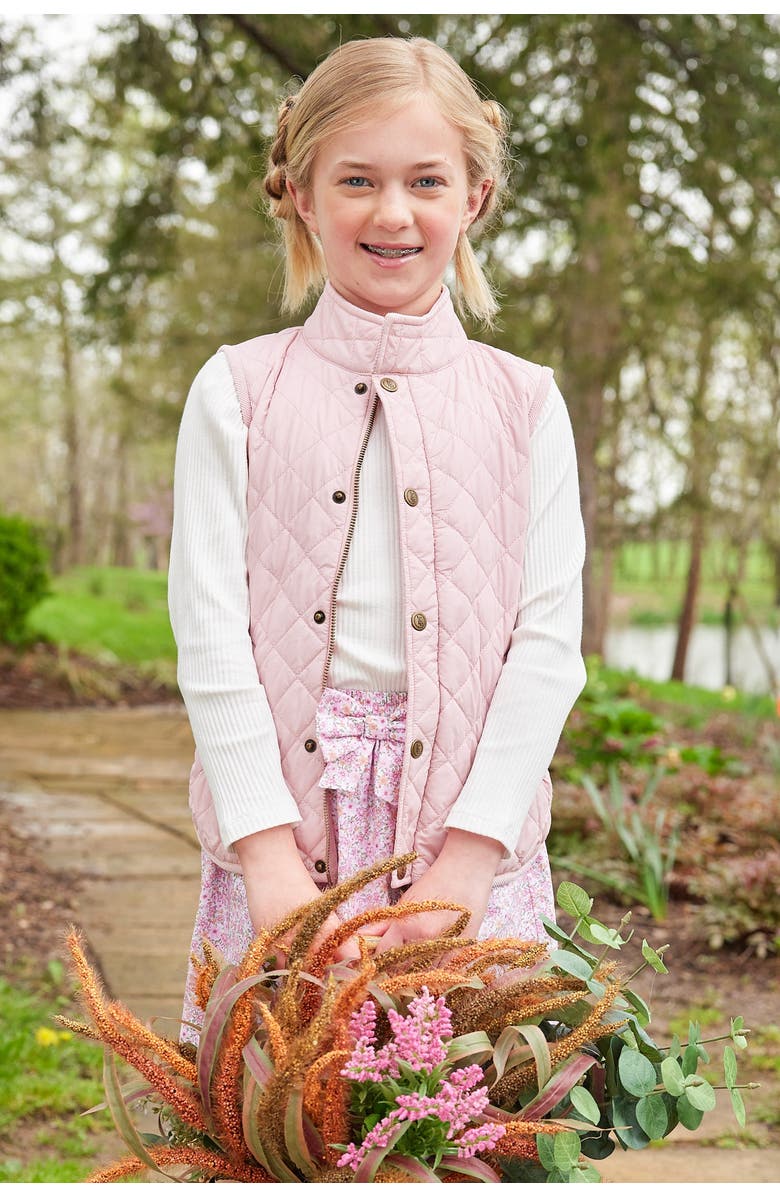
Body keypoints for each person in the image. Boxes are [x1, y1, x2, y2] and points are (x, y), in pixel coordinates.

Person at [168, 36, 586, 1040]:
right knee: (275, 1120)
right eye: (357, 179)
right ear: (302, 194)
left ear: (474, 197)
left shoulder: (525, 405)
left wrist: (470, 859)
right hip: (286, 826)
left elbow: (546, 646)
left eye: (425, 180)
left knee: (470, 1123)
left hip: (466, 838)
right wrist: (267, 858)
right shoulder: (238, 392)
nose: (392, 212)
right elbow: (213, 636)